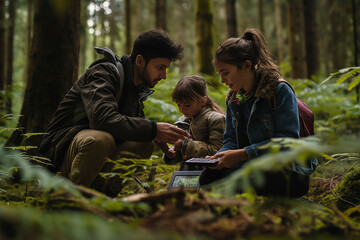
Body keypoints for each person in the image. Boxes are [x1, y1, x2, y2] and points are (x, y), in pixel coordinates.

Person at [39, 29, 190, 197]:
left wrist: (157, 138)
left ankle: (100, 201)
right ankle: (68, 202)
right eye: (160, 67)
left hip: (90, 153)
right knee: (101, 140)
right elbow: (101, 119)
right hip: (62, 150)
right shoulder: (104, 72)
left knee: (144, 143)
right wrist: (153, 128)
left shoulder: (136, 90)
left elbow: (130, 129)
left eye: (166, 68)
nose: (164, 75)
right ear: (140, 60)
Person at [200, 28, 318, 198]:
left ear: (247, 66)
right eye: (219, 74)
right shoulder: (235, 98)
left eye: (225, 73)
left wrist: (243, 154)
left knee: (233, 180)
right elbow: (231, 139)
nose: (222, 80)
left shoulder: (279, 91)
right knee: (207, 179)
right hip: (252, 166)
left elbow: (287, 142)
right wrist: (220, 157)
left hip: (288, 172)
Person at [155, 75, 225, 170]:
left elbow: (218, 151)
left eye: (187, 105)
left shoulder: (215, 119)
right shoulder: (182, 122)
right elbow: (182, 156)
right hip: (186, 176)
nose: (182, 109)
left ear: (203, 101)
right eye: (179, 105)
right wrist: (170, 153)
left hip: (210, 177)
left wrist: (184, 145)